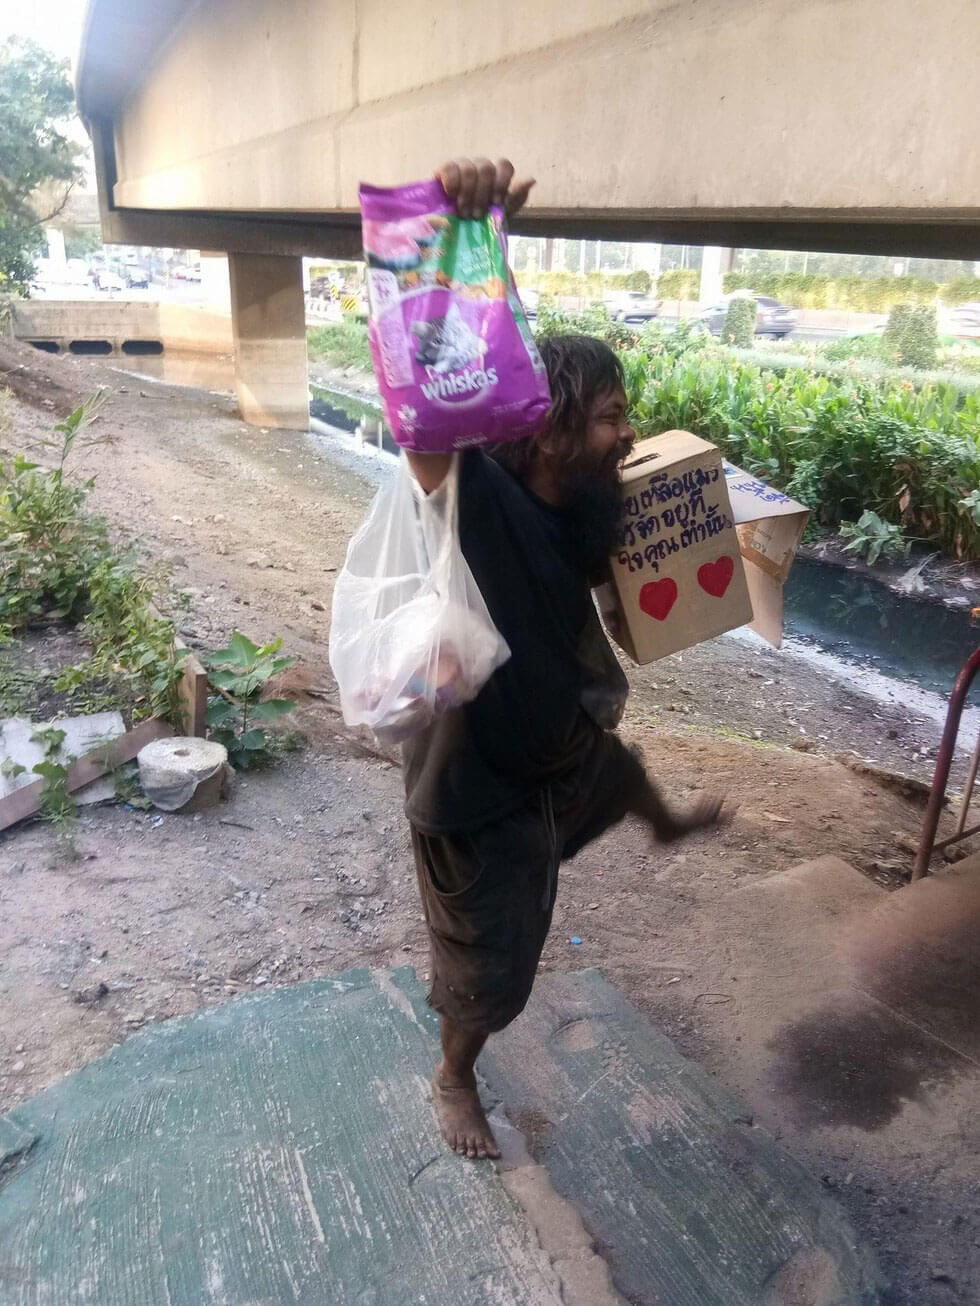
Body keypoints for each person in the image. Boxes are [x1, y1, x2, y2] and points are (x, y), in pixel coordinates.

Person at [403, 157, 728, 1161]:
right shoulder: (480, 502)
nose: (628, 435)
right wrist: (464, 238)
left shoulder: (586, 505)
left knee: (621, 772)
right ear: (545, 430)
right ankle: (453, 1075)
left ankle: (659, 822)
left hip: (563, 754)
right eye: (610, 417)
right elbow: (426, 413)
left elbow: (652, 565)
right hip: (479, 789)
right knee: (495, 972)